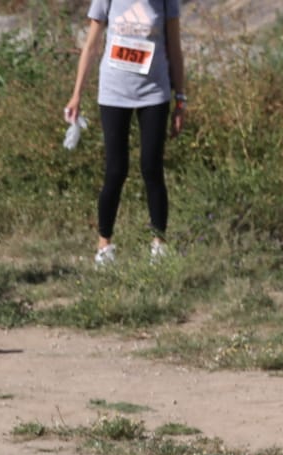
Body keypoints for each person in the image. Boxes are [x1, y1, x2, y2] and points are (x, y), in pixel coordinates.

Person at [65, 0, 184, 266]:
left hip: (154, 93)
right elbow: (91, 46)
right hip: (114, 93)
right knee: (115, 171)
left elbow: (175, 49)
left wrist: (181, 100)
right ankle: (104, 246)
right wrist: (76, 96)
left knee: (152, 168)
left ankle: (159, 245)